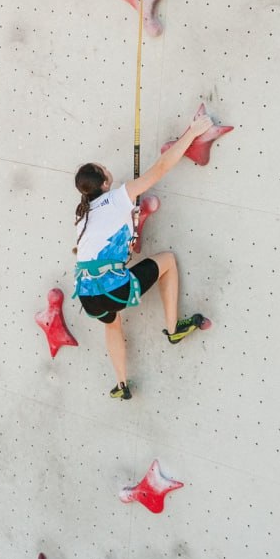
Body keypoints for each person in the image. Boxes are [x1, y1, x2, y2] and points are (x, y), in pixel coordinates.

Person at [72, 110, 214, 400]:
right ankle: (174, 328)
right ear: (103, 181)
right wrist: (192, 132)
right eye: (102, 168)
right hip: (113, 289)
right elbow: (160, 168)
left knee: (112, 324)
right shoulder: (115, 198)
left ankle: (121, 384)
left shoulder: (83, 215)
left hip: (88, 297)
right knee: (168, 262)